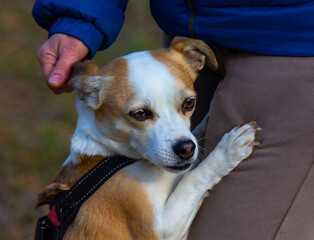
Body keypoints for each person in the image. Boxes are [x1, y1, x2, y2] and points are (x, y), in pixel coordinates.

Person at [32, 1, 314, 239]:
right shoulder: (111, 177)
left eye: (187, 105)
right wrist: (214, 165)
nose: (183, 141)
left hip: (290, 37)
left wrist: (201, 129)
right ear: (90, 95)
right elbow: (165, 231)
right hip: (191, 17)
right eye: (141, 114)